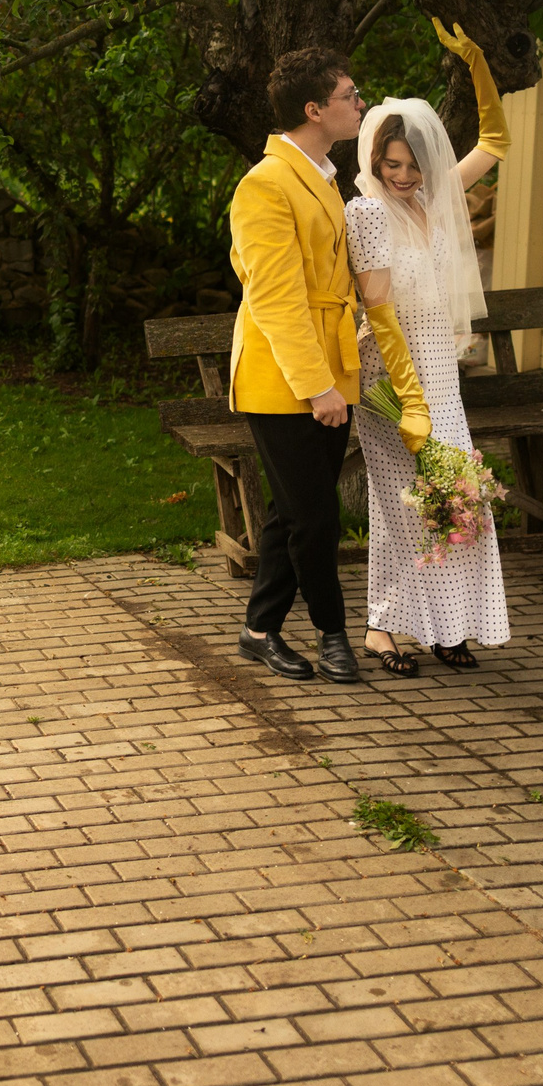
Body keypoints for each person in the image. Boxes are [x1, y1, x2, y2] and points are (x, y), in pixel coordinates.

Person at [346, 21, 514, 674]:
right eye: (391, 165)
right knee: (409, 507)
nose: (403, 176)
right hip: (390, 380)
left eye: (413, 165)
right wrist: (409, 403)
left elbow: (496, 141)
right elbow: (380, 312)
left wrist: (477, 63)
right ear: (373, 160)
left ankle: (431, 629)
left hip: (441, 374)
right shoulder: (366, 212)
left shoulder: (436, 196)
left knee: (453, 499)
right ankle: (395, 629)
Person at [227, 47, 369, 683]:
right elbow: (277, 300)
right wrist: (316, 387)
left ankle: (259, 630)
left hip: (330, 368)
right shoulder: (266, 184)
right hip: (282, 379)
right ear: (314, 110)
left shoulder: (324, 175)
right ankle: (333, 633)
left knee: (292, 511)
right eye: (349, 95)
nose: (359, 103)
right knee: (315, 517)